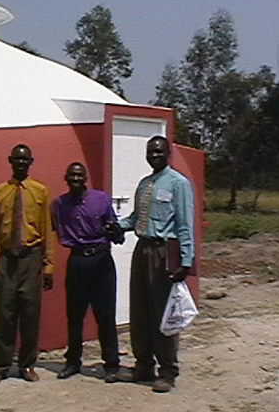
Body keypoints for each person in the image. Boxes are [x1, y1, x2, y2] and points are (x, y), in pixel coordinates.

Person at [118, 135, 195, 393]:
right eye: (151, 152)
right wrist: (115, 227)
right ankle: (143, 366)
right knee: (140, 309)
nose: (154, 156)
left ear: (168, 153)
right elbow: (134, 218)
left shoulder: (178, 184)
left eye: (159, 152)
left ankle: (168, 371)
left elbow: (185, 225)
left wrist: (185, 261)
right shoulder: (144, 184)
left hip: (164, 253)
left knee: (162, 312)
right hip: (142, 250)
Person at [0, 144, 54, 388]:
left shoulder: (41, 191)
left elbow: (47, 230)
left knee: (30, 313)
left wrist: (48, 266)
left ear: (31, 162)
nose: (21, 164)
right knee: (5, 313)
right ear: (10, 161)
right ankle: (1, 365)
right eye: (17, 160)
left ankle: (26, 364)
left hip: (31, 258)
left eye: (25, 160)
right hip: (7, 259)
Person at [51, 162, 124, 383]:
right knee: (74, 316)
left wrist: (115, 232)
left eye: (79, 175)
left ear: (86, 178)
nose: (75, 179)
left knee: (105, 315)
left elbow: (116, 234)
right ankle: (73, 361)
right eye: (71, 175)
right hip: (77, 262)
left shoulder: (101, 199)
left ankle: (111, 364)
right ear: (66, 178)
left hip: (102, 261)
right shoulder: (59, 205)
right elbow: (58, 230)